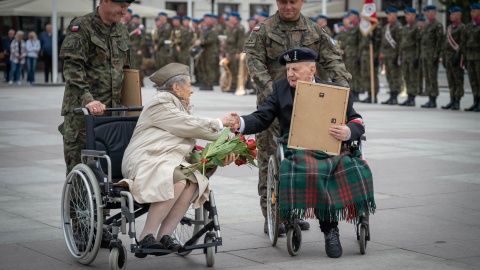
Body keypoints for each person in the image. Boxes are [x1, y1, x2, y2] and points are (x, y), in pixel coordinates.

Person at [228, 48, 374, 258]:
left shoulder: (334, 90)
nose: (290, 74)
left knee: (345, 166)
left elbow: (356, 120)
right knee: (306, 167)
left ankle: (330, 230)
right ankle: (292, 221)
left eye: (295, 69)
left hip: (331, 147)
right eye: (288, 69)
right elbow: (262, 117)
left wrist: (349, 131)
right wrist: (239, 123)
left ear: (312, 69)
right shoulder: (281, 89)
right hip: (296, 149)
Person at [244, 0, 351, 236]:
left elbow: (333, 59)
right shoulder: (263, 30)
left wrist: (342, 90)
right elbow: (254, 64)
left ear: (302, 2)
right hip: (273, 109)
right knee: (270, 159)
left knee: (303, 159)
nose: (288, 6)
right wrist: (276, 94)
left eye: (293, 1)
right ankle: (272, 214)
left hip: (311, 108)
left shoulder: (315, 31)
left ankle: (293, 211)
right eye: (283, 2)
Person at [119, 63, 238, 255]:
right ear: (176, 87)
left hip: (165, 160)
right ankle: (146, 235)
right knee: (179, 177)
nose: (192, 90)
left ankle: (164, 236)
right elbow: (187, 125)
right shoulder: (161, 102)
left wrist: (225, 149)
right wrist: (219, 122)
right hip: (146, 159)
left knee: (192, 180)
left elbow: (186, 137)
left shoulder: (178, 105)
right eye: (189, 85)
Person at [58, 0, 134, 247]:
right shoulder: (82, 27)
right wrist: (89, 100)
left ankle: (100, 229)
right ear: (104, 2)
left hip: (112, 115)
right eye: (120, 5)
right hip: (83, 116)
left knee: (107, 175)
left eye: (127, 7)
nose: (124, 11)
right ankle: (81, 232)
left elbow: (127, 70)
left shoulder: (121, 30)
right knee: (81, 174)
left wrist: (133, 105)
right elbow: (72, 70)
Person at [420, 5, 444, 108]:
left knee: (432, 78)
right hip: (425, 55)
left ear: (433, 12)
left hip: (432, 56)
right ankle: (430, 98)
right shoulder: (427, 25)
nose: (427, 13)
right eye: (426, 12)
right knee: (427, 77)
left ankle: (433, 99)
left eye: (428, 11)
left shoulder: (437, 25)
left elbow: (440, 42)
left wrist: (437, 56)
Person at [441, 6, 465, 110]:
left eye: (453, 14)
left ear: (459, 15)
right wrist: (443, 57)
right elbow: (444, 43)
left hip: (456, 57)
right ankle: (452, 99)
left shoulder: (462, 27)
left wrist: (458, 56)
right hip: (448, 57)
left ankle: (457, 101)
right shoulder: (450, 28)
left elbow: (463, 43)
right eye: (450, 14)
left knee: (458, 80)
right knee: (450, 80)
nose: (451, 16)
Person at [398, 8, 422, 107]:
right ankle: (409, 97)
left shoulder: (417, 27)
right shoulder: (404, 28)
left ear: (414, 15)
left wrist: (417, 57)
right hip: (405, 56)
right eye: (406, 14)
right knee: (406, 77)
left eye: (408, 14)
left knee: (413, 78)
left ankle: (412, 97)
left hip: (412, 56)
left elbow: (418, 43)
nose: (406, 16)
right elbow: (401, 43)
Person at [380, 7, 403, 105]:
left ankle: (395, 96)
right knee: (389, 76)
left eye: (390, 14)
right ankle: (391, 95)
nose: (388, 16)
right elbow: (383, 42)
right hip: (387, 56)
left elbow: (400, 43)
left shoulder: (398, 26)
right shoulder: (386, 27)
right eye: (388, 14)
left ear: (395, 15)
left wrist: (397, 55)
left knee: (395, 76)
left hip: (394, 56)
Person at [194, 14, 219, 91]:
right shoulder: (206, 29)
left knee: (209, 68)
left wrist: (201, 41)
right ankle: (205, 82)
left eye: (207, 20)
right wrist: (200, 41)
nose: (205, 21)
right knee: (204, 67)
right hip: (204, 51)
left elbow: (211, 40)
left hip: (211, 52)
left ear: (211, 20)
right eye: (205, 20)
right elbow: (202, 37)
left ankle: (210, 84)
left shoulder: (213, 29)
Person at [463, 4, 480, 112]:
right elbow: (464, 43)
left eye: (474, 11)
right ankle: (475, 101)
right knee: (473, 81)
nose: (472, 13)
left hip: (478, 57)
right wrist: (464, 57)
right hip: (470, 57)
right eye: (471, 11)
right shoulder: (468, 26)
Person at [225, 11, 245, 93]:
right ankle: (232, 84)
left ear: (235, 18)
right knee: (231, 69)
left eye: (231, 17)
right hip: (230, 51)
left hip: (235, 51)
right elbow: (228, 41)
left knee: (236, 69)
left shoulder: (239, 28)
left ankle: (237, 85)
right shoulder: (232, 27)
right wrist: (227, 52)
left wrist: (238, 52)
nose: (229, 18)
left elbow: (240, 41)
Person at [344, 10, 362, 101]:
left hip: (355, 54)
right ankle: (352, 92)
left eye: (351, 15)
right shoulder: (351, 27)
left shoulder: (359, 27)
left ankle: (356, 93)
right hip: (349, 55)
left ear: (356, 16)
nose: (349, 17)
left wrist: (359, 55)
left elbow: (360, 42)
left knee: (355, 74)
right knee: (350, 74)